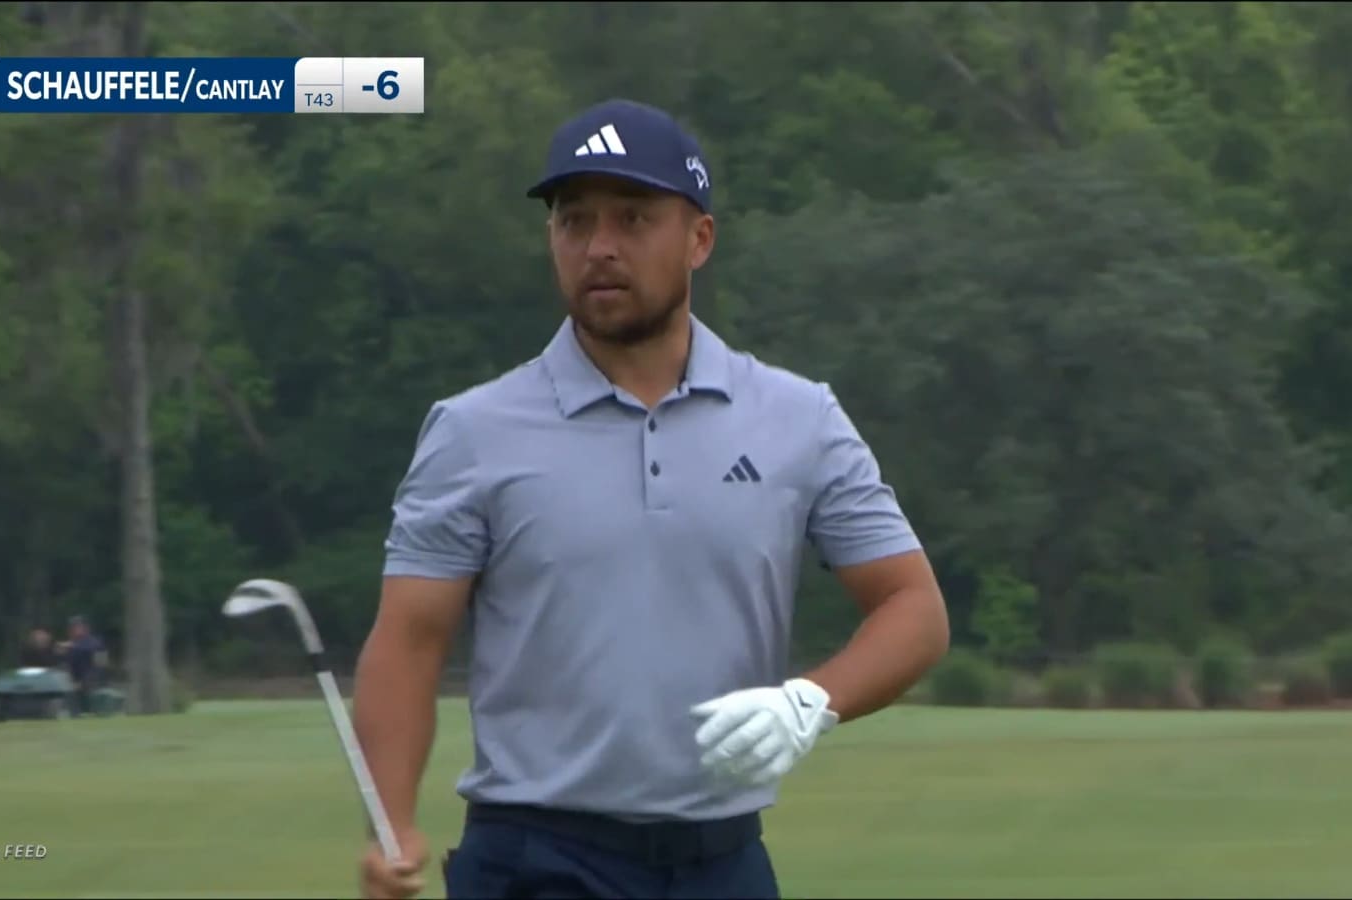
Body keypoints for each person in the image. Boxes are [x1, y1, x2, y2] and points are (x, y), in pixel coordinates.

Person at [353, 98, 951, 900]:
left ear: (698, 238)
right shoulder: (472, 431)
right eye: (574, 221)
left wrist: (812, 700)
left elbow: (914, 608)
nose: (599, 247)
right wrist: (391, 823)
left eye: (633, 219)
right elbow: (408, 642)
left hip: (723, 861)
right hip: (534, 856)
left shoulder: (798, 418)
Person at [56, 615, 107, 716]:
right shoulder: (69, 646)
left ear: (86, 628)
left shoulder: (96, 643)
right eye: (73, 627)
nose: (75, 630)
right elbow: (65, 665)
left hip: (92, 682)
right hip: (73, 682)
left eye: (78, 627)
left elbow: (101, 665)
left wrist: (83, 682)